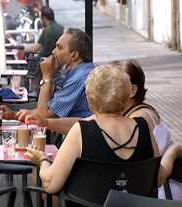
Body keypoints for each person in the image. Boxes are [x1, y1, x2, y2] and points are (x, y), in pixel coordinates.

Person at [25, 59, 182, 200]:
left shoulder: (81, 131)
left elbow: (51, 184)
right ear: (127, 97)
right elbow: (158, 178)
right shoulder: (143, 127)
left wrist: (43, 160)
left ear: (90, 102)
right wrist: (173, 152)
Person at [0, 28, 94, 120]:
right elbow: (52, 109)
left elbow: (44, 115)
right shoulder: (81, 72)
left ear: (74, 56)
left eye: (59, 48)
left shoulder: (79, 78)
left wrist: (47, 76)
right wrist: (14, 115)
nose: (53, 51)